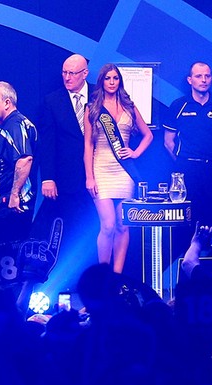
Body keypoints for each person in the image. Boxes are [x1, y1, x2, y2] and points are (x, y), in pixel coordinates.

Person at [84, 63, 153, 274]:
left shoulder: (129, 106)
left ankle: (117, 276)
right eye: (108, 78)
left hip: (124, 172)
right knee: (108, 225)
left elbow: (148, 135)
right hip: (101, 169)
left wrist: (135, 152)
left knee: (123, 225)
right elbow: (88, 145)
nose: (112, 82)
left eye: (115, 78)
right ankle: (103, 276)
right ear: (102, 81)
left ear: (119, 81)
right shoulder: (92, 108)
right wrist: (89, 177)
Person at [162, 62, 212, 235]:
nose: (204, 80)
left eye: (207, 76)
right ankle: (188, 251)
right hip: (187, 170)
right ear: (190, 80)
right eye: (198, 76)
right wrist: (184, 163)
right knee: (188, 218)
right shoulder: (178, 106)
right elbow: (168, 142)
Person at [34, 54, 93, 253]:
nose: (67, 77)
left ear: (85, 73)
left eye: (72, 73)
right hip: (67, 179)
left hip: (100, 174)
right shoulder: (52, 101)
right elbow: (47, 143)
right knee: (70, 229)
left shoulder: (99, 96)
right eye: (64, 73)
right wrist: (48, 178)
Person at [0, 81, 37, 251]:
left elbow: (24, 159)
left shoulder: (14, 125)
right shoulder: (13, 125)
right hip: (2, 209)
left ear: (7, 102)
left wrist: (14, 195)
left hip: (8, 210)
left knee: (7, 257)